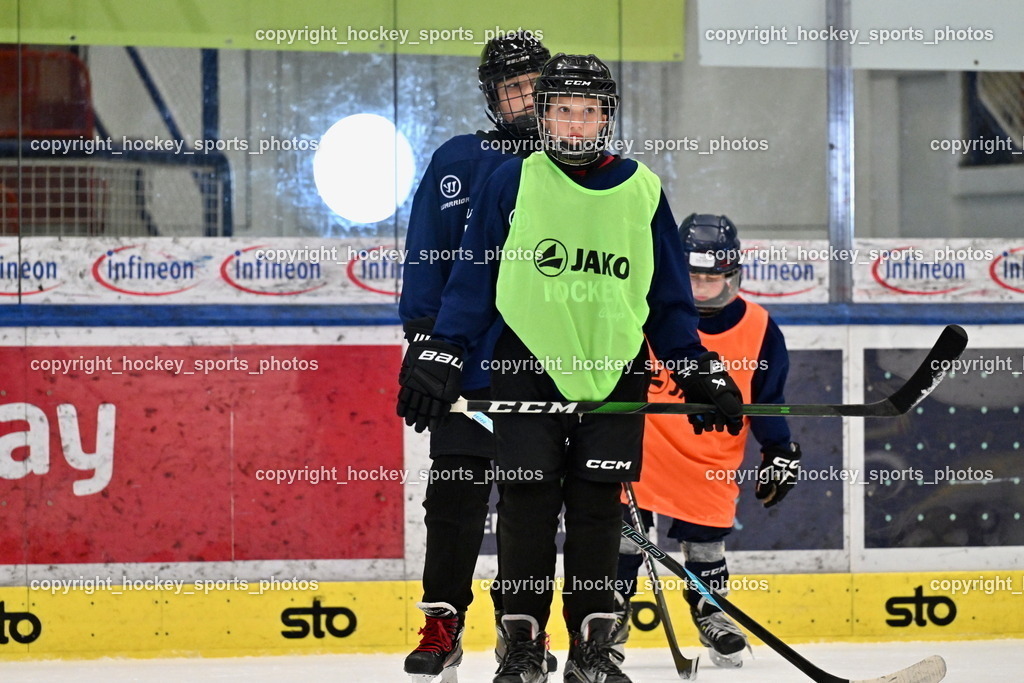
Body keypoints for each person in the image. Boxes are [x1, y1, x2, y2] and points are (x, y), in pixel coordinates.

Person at [397, 54, 744, 683]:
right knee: (527, 505)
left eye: (588, 112)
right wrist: (440, 348)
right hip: (526, 366)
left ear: (607, 117)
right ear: (543, 115)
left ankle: (592, 645)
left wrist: (696, 367)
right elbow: (475, 278)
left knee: (596, 511)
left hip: (614, 375)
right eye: (561, 110)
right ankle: (523, 642)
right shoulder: (512, 180)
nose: (574, 125)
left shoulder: (643, 190)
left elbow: (665, 299)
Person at [398, 30, 552, 683]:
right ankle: (443, 618)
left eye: (532, 86)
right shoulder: (457, 160)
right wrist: (426, 343)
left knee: (530, 507)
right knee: (454, 497)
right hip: (464, 363)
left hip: (541, 370)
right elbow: (425, 253)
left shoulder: (575, 167)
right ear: (492, 97)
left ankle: (522, 626)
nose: (522, 100)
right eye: (510, 88)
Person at [615, 213, 802, 669]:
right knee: (619, 540)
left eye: (713, 279)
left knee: (705, 541)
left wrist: (779, 450)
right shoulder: (643, 314)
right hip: (643, 450)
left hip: (709, 459)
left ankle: (709, 609)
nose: (701, 289)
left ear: (732, 275)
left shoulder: (759, 328)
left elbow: (767, 399)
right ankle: (609, 615)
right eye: (692, 278)